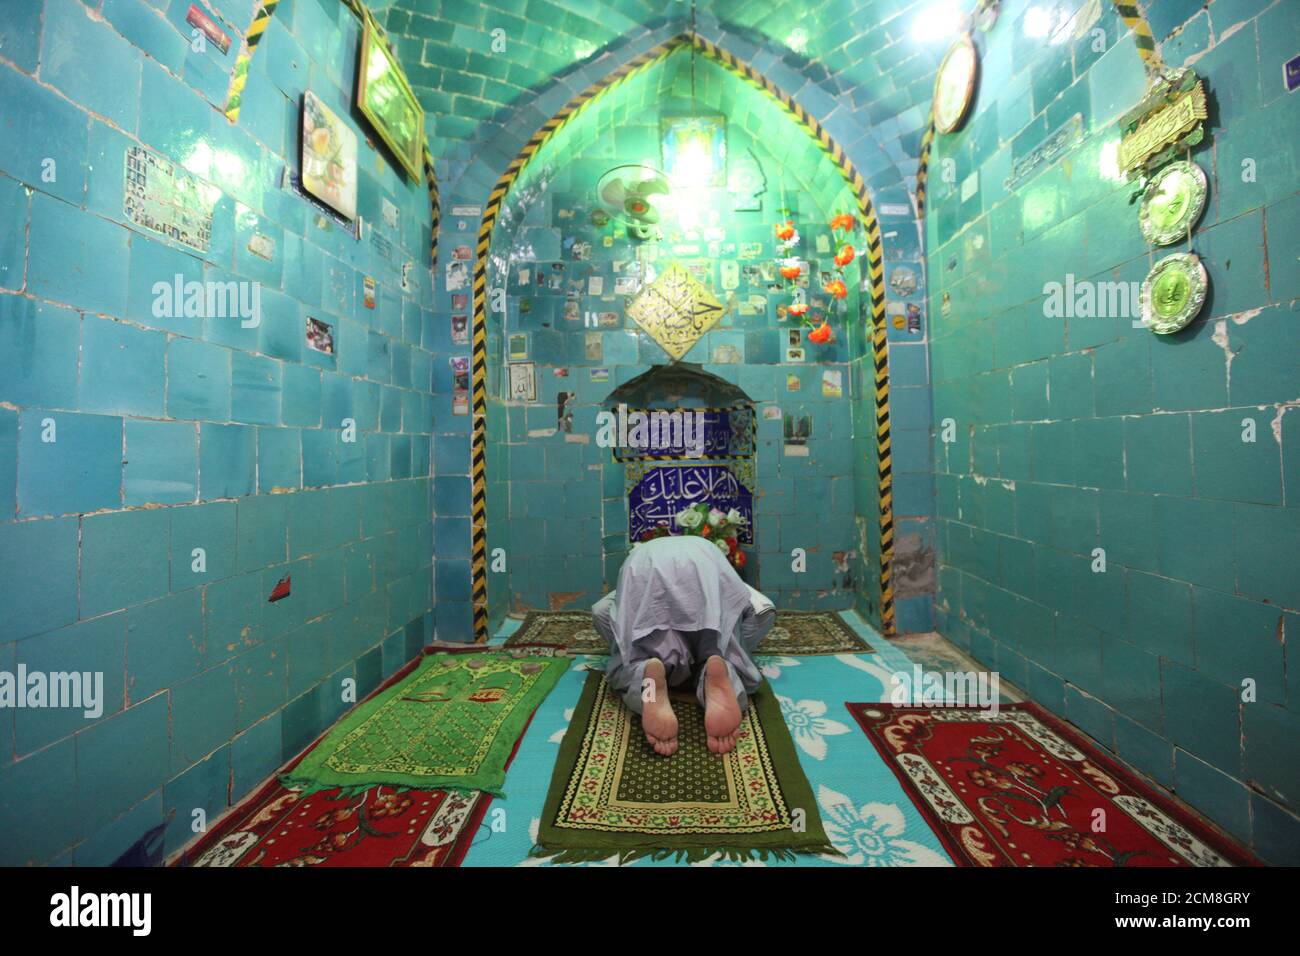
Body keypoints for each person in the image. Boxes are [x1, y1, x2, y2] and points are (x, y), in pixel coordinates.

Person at [590, 534, 775, 756]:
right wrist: (740, 646)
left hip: (644, 568)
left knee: (629, 661)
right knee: (727, 652)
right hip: (704, 564)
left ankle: (646, 674)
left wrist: (623, 643)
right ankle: (719, 670)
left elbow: (600, 611)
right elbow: (764, 610)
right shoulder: (707, 551)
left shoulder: (644, 551)